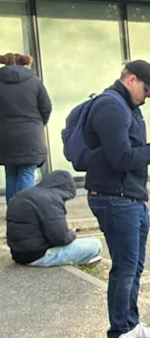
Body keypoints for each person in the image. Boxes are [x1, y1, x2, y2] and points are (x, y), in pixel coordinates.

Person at [85, 60, 150, 338]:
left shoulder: (126, 107)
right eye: (146, 89)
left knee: (134, 266)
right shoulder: (111, 107)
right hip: (116, 198)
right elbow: (121, 158)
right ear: (131, 79)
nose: (148, 96)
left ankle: (131, 323)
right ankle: (118, 334)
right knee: (124, 268)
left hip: (130, 196)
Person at [6, 170, 103, 267]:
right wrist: (72, 234)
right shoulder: (51, 199)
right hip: (38, 256)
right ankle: (82, 260)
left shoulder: (23, 195)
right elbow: (61, 238)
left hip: (17, 254)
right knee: (95, 244)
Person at [0, 53, 52, 202]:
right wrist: (38, 124)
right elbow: (46, 107)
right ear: (25, 64)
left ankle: (13, 210)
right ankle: (25, 210)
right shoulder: (35, 82)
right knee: (27, 172)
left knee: (11, 173)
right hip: (30, 135)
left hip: (5, 136)